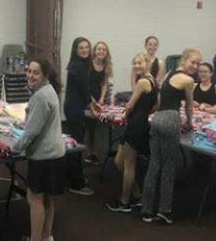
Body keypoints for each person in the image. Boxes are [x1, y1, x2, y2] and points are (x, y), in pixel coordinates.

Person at [10, 59, 66, 241]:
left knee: (34, 199)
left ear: (45, 75)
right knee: (47, 198)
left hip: (44, 156)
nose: (30, 75)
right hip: (55, 153)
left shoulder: (41, 96)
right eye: (29, 71)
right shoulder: (49, 91)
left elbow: (31, 132)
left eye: (35, 73)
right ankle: (46, 237)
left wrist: (13, 148)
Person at [141, 49, 200, 225]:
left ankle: (146, 209)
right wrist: (189, 122)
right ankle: (164, 211)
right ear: (184, 60)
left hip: (157, 118)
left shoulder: (169, 74)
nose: (195, 66)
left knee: (154, 164)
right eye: (193, 62)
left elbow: (160, 98)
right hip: (171, 119)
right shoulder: (188, 80)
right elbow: (189, 105)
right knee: (168, 167)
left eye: (198, 63)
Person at [106, 53, 158, 213]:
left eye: (139, 63)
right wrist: (144, 112)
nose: (136, 66)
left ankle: (124, 202)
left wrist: (126, 116)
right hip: (140, 122)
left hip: (136, 124)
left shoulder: (142, 82)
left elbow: (129, 105)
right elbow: (156, 105)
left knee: (129, 164)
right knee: (118, 161)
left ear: (147, 64)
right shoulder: (154, 81)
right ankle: (136, 194)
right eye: (134, 63)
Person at [64, 37, 95, 195]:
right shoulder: (78, 66)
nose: (84, 50)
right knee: (76, 146)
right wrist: (93, 107)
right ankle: (76, 184)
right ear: (75, 50)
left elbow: (84, 90)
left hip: (74, 107)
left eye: (86, 47)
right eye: (81, 48)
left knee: (74, 144)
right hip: (74, 108)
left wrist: (92, 102)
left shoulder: (79, 65)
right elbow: (84, 90)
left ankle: (73, 177)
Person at [84, 41, 113, 164]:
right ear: (94, 51)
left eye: (104, 49)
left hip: (98, 98)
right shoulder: (89, 65)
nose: (101, 51)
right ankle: (89, 153)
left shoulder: (106, 66)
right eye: (99, 49)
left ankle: (97, 150)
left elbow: (104, 83)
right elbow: (84, 85)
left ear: (106, 53)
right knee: (89, 126)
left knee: (97, 125)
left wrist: (101, 99)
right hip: (87, 97)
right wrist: (93, 101)